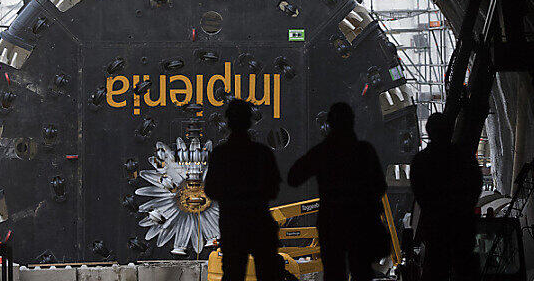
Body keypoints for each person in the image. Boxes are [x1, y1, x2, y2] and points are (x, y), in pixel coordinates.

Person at [287, 102, 387, 281]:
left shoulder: (323, 151)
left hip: (332, 224)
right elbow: (380, 187)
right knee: (361, 272)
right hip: (360, 223)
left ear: (331, 123)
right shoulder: (365, 151)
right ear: (352, 122)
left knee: (334, 272)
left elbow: (294, 177)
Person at [204, 99, 286, 281]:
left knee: (233, 274)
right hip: (260, 222)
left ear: (228, 123)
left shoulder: (220, 154)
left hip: (233, 225)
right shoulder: (263, 153)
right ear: (250, 121)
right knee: (268, 273)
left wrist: (233, 197)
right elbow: (273, 190)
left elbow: (210, 190)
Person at [409, 113, 482, 280]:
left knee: (436, 270)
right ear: (450, 131)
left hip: (436, 231)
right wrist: (464, 208)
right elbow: (475, 185)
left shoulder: (421, 161)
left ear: (429, 132)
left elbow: (420, 193)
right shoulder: (464, 158)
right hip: (462, 228)